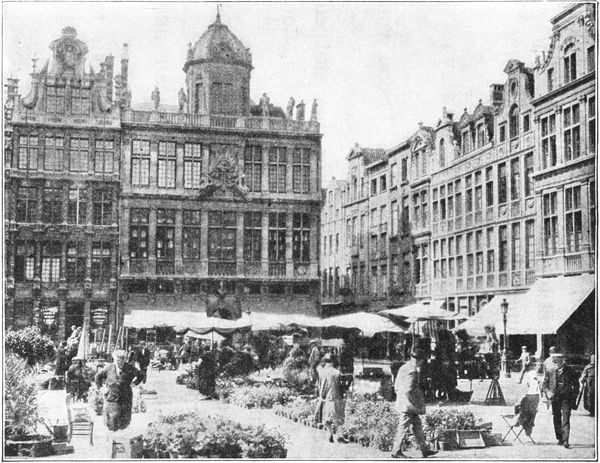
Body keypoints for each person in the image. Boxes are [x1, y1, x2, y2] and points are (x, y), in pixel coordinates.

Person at [390, 348, 438, 459]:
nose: (422, 362)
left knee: (417, 426)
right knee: (403, 427)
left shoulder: (403, 367)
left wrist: (400, 397)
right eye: (422, 360)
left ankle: (424, 450)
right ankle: (396, 451)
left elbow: (396, 386)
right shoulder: (413, 371)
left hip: (404, 402)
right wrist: (416, 404)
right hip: (409, 405)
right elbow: (408, 389)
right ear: (419, 360)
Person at [95, 350, 143, 431]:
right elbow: (97, 376)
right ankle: (111, 436)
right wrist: (101, 388)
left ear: (123, 360)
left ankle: (121, 436)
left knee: (124, 420)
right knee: (111, 419)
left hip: (125, 396)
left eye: (119, 360)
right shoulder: (109, 367)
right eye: (115, 360)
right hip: (111, 396)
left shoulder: (129, 367)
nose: (116, 362)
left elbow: (141, 375)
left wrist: (135, 383)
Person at [541, 349, 580, 448]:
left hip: (567, 398)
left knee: (566, 418)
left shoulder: (570, 370)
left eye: (558, 363)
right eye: (555, 363)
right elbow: (544, 385)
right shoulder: (550, 371)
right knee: (556, 417)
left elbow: (576, 384)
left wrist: (574, 395)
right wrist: (547, 392)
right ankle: (559, 438)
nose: (556, 365)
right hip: (555, 398)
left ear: (563, 361)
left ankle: (566, 440)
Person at [315, 354, 347, 443]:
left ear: (325, 362)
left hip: (323, 398)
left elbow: (318, 367)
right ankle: (338, 436)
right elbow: (341, 386)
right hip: (334, 398)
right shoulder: (336, 372)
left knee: (325, 418)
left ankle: (330, 434)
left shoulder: (321, 371)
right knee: (336, 417)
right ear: (333, 362)